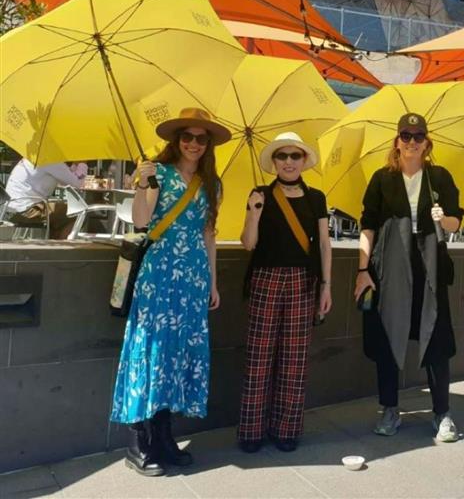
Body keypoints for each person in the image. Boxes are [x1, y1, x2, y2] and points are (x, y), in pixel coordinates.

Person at [110, 107, 230, 476]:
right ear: (176, 140)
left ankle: (163, 436)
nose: (194, 143)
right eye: (187, 136)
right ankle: (138, 441)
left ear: (208, 144)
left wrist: (212, 281)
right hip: (159, 272)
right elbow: (141, 221)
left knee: (176, 353)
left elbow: (209, 234)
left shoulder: (212, 184)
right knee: (150, 348)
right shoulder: (157, 173)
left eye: (201, 138)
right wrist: (142, 184)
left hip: (193, 277)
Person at [353, 113, 464, 442]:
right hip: (389, 267)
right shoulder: (382, 178)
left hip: (430, 265)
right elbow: (368, 225)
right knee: (388, 336)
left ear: (427, 143)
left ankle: (442, 413)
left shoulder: (439, 177)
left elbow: (457, 221)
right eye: (406, 136)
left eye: (418, 137)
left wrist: (444, 219)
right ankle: (389, 409)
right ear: (397, 142)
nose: (412, 142)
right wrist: (362, 270)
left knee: (436, 338)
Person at [237, 132, 332, 454]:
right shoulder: (260, 194)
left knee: (295, 358)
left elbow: (324, 244)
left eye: (295, 156)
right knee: (258, 356)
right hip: (265, 278)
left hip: (303, 281)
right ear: (274, 162)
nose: (288, 162)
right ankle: (251, 429)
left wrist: (327, 286)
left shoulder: (316, 197)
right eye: (282, 156)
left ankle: (287, 429)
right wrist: (254, 212)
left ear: (304, 161)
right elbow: (248, 243)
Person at [5, 159, 86, 239]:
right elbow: (77, 183)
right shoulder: (51, 161)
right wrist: (83, 164)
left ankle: (54, 243)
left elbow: (65, 179)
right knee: (78, 212)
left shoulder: (32, 158)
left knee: (61, 214)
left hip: (10, 210)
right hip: (28, 210)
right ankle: (62, 245)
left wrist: (75, 165)